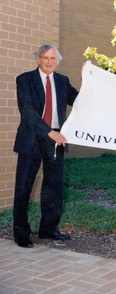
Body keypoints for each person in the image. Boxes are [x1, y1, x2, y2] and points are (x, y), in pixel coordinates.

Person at [13, 44, 80, 248]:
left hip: (56, 141)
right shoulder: (24, 80)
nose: (49, 61)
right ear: (37, 59)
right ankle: (21, 233)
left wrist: (89, 78)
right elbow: (27, 111)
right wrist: (48, 131)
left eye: (53, 58)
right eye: (45, 57)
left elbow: (79, 101)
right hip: (33, 138)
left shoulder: (62, 81)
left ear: (57, 60)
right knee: (24, 187)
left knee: (53, 187)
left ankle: (48, 229)